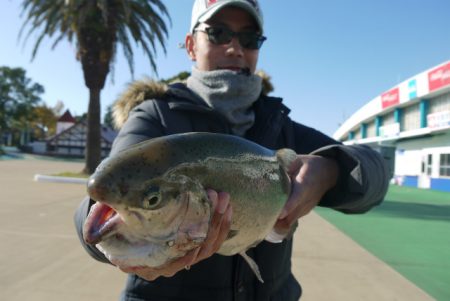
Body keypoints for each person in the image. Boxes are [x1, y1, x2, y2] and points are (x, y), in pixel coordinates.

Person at [74, 0, 390, 300]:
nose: (235, 48)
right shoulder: (154, 115)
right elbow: (106, 197)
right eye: (218, 33)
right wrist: (94, 225)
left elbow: (375, 173)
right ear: (190, 45)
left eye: (250, 38)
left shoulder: (282, 126)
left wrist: (331, 170)